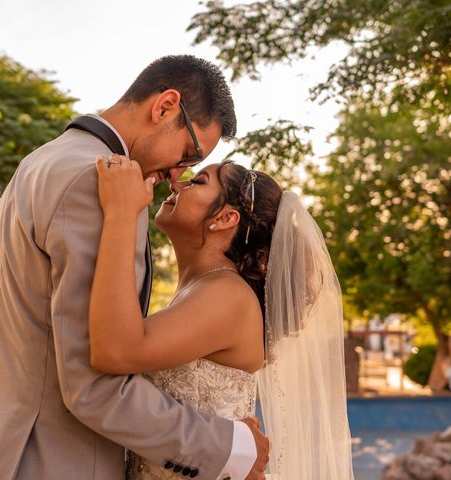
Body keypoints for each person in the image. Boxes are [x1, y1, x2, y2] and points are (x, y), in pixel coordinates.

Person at [0, 55, 270, 480]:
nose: (176, 175)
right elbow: (94, 385)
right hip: (60, 463)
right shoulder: (104, 187)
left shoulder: (38, 162)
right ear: (165, 106)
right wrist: (233, 448)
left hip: (0, 457)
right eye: (189, 154)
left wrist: (25, 392)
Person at [90, 157, 355, 479]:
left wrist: (120, 212)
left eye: (198, 181)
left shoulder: (227, 296)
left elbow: (117, 351)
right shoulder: (207, 289)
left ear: (226, 217)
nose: (177, 183)